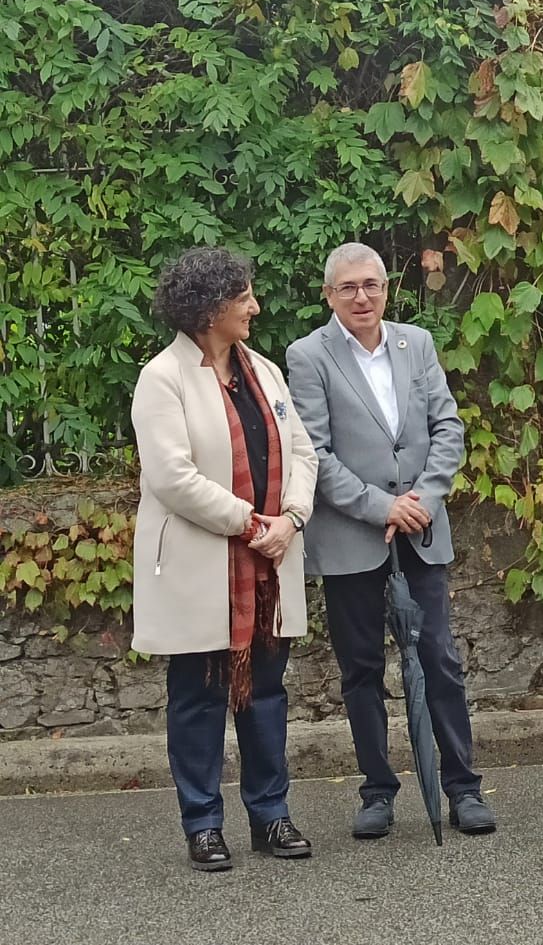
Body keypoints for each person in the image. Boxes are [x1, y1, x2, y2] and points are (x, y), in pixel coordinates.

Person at [284, 243, 495, 839]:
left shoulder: (416, 344)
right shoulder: (308, 357)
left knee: (440, 662)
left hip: (422, 529)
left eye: (371, 285)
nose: (362, 297)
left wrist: (423, 500)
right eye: (348, 287)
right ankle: (378, 791)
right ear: (329, 295)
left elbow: (447, 426)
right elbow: (315, 454)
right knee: (361, 669)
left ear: (387, 288)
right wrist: (383, 506)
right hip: (354, 536)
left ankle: (463, 788)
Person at [130, 247, 317, 872]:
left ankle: (271, 815)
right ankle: (203, 824)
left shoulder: (263, 369)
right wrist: (250, 521)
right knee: (199, 699)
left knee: (266, 694)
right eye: (244, 297)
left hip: (268, 562)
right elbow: (171, 476)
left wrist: (291, 518)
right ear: (210, 308)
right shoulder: (162, 377)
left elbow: (302, 452)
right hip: (204, 565)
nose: (255, 307)